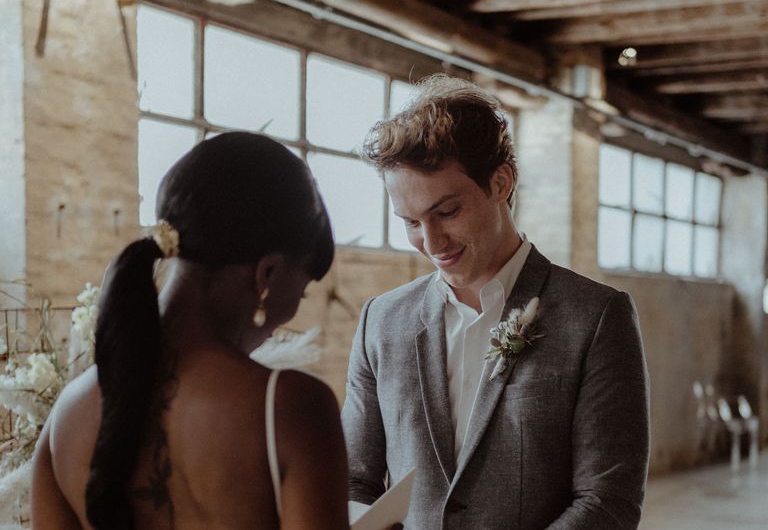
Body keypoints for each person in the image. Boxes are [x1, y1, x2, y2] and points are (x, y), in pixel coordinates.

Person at [343, 75, 650, 529]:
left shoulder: (598, 317)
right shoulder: (381, 322)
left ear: (501, 182)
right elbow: (352, 480)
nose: (431, 242)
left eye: (447, 212)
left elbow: (608, 500)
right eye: (410, 222)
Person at [31, 132, 349, 529]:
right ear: (267, 273)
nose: (290, 315)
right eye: (300, 294)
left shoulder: (67, 414)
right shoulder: (291, 409)